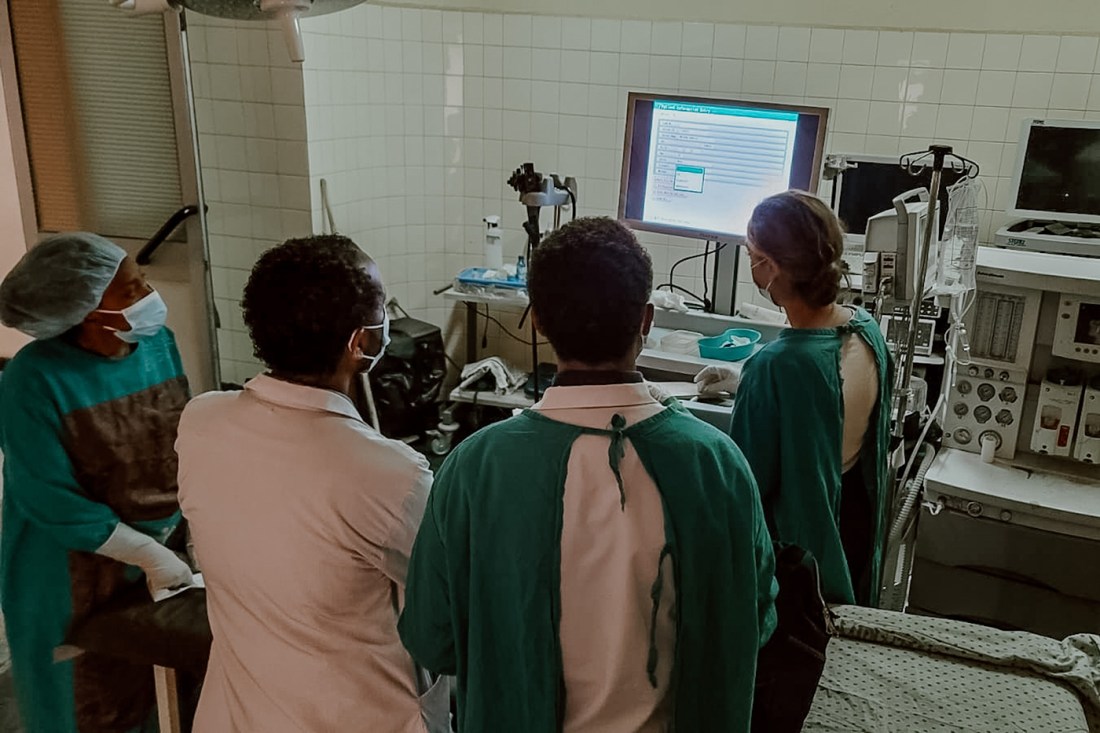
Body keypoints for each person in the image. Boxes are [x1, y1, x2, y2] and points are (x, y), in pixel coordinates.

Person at [399, 217, 777, 732]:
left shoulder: (475, 467)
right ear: (646, 321)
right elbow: (753, 621)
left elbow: (432, 638)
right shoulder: (717, 464)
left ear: (537, 322)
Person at [176, 235, 447, 732]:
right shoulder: (390, 475)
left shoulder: (200, 422)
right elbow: (446, 594)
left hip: (241, 713)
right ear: (359, 342)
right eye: (382, 307)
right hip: (358, 715)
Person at [0, 233, 193, 733]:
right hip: (67, 567)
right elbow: (47, 497)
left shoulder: (157, 344)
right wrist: (147, 553)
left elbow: (178, 439)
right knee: (85, 703)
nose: (148, 296)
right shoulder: (33, 379)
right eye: (130, 291)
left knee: (161, 695)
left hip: (160, 548)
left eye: (142, 282)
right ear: (84, 309)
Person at [696, 191, 894, 605]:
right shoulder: (865, 329)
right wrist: (743, 381)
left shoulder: (777, 366)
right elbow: (826, 409)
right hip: (852, 536)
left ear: (769, 268)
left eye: (752, 254)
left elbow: (745, 490)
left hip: (801, 570)